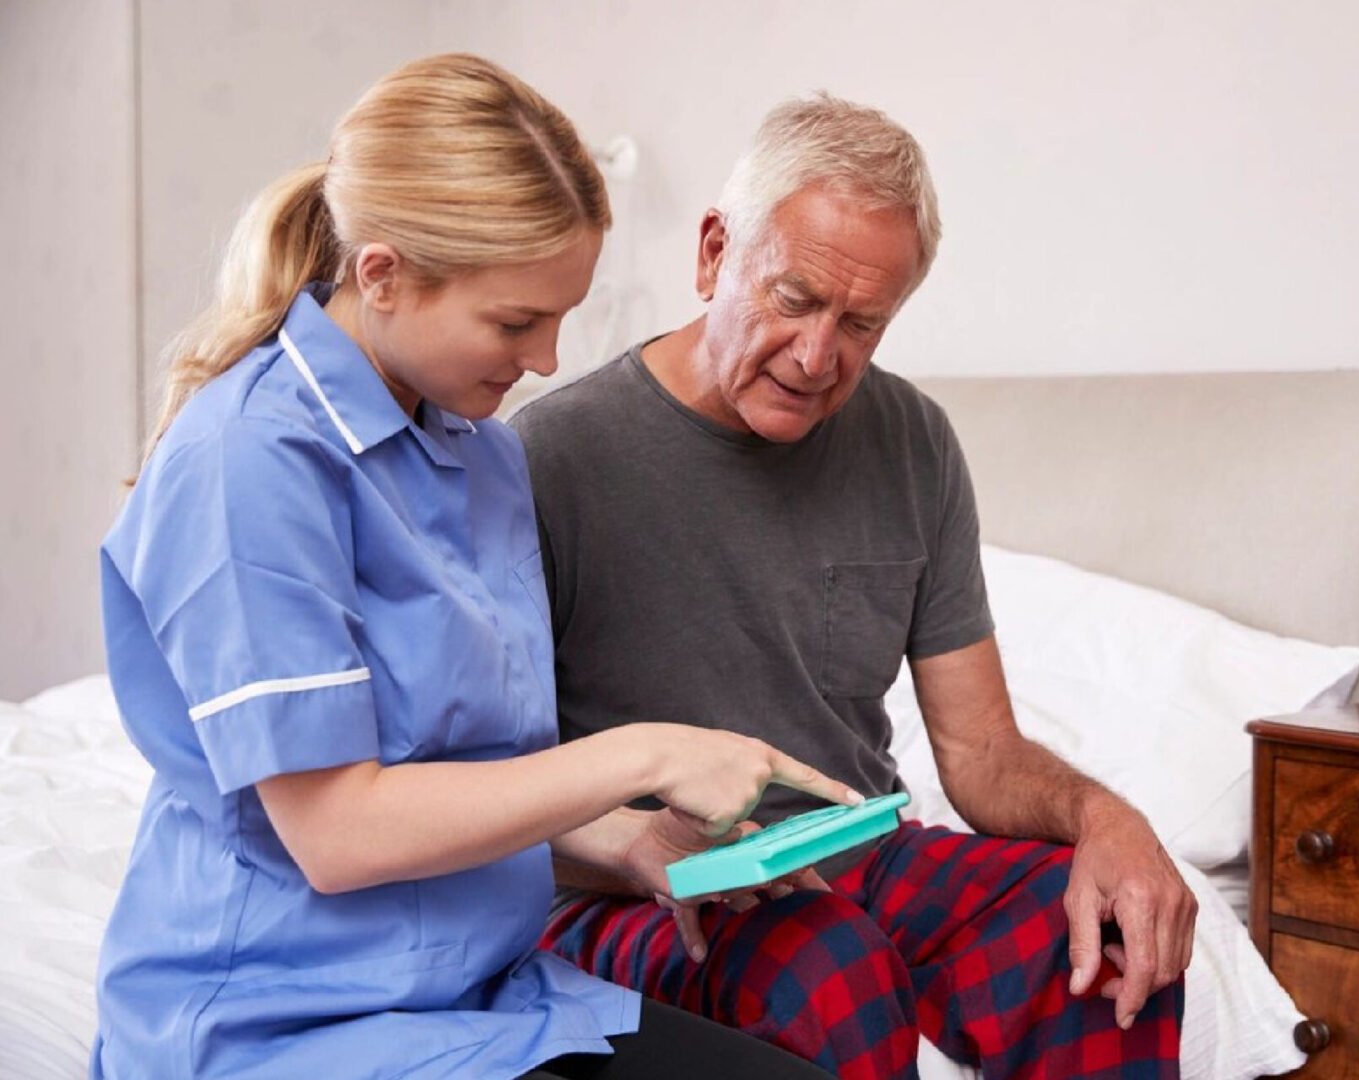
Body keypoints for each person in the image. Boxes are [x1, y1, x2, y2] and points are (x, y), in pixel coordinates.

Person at [93, 54, 852, 1080]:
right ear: (384, 275)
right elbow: (338, 834)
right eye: (514, 322)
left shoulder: (480, 449)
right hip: (282, 1027)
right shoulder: (251, 461)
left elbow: (452, 769)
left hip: (478, 996)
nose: (544, 360)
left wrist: (622, 843)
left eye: (560, 319)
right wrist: (647, 755)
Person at [510, 94, 1198, 1080]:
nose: (817, 355)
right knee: (826, 963)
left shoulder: (914, 444)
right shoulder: (550, 457)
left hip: (854, 858)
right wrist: (629, 841)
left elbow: (984, 755)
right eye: (793, 299)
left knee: (1097, 925)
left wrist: (1109, 820)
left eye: (862, 322)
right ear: (713, 254)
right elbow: (489, 784)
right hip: (635, 892)